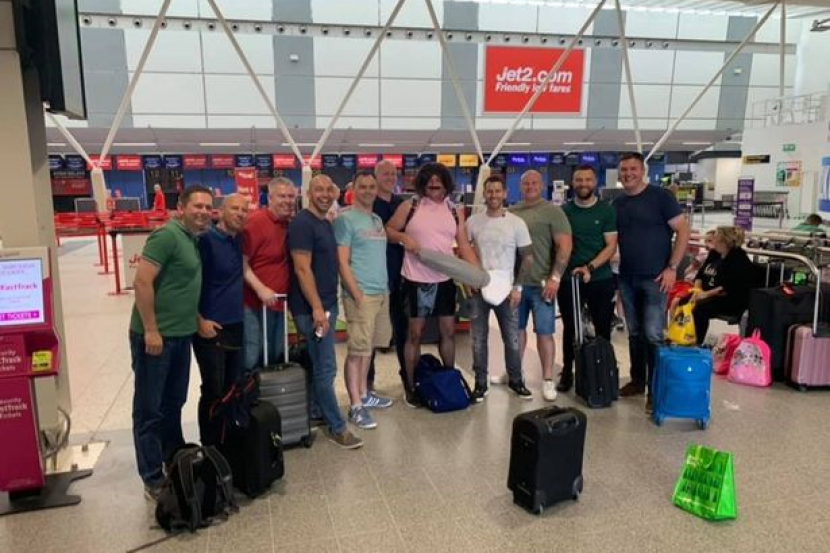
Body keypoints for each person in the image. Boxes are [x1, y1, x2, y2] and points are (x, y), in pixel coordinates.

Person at [129, 185, 213, 500]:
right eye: (197, 206)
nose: (203, 212)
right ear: (181, 207)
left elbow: (182, 288)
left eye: (208, 207)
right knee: (148, 410)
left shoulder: (193, 239)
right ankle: (152, 477)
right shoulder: (166, 236)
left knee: (173, 402)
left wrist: (197, 319)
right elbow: (142, 281)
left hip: (181, 336)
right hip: (156, 338)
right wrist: (151, 330)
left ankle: (173, 459)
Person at [386, 162, 478, 407]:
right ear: (422, 184)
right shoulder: (411, 206)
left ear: (446, 184)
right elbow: (388, 230)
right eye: (429, 180)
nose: (434, 183)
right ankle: (411, 384)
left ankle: (450, 379)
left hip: (445, 280)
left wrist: (476, 274)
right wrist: (403, 237)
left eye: (439, 180)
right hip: (415, 280)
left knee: (448, 332)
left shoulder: (454, 210)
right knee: (414, 334)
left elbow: (464, 245)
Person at [289, 175, 363, 449]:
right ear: (308, 193)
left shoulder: (323, 222)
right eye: (318, 189)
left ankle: (316, 411)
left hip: (325, 305)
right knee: (325, 367)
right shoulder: (302, 224)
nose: (324, 194)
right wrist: (318, 308)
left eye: (329, 190)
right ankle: (337, 427)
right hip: (312, 308)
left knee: (318, 363)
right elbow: (301, 268)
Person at [614, 152, 690, 413]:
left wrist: (672, 267)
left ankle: (655, 390)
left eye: (633, 169)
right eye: (624, 170)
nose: (628, 174)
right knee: (634, 332)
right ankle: (637, 381)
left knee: (653, 334)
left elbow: (683, 230)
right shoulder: (618, 203)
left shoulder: (661, 197)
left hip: (656, 278)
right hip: (627, 276)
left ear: (643, 171)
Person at [334, 171, 394, 430]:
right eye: (363, 187)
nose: (368, 191)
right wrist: (356, 293)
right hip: (361, 295)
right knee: (357, 351)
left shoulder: (377, 220)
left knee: (369, 347)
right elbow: (342, 261)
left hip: (381, 293)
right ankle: (356, 406)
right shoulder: (345, 220)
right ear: (353, 189)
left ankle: (365, 393)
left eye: (372, 187)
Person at [465, 175, 534, 402]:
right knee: (478, 339)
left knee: (512, 338)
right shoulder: (472, 222)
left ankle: (516, 380)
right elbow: (464, 252)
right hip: (479, 287)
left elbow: (527, 258)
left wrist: (518, 287)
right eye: (489, 191)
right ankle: (480, 383)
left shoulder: (516, 223)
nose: (493, 195)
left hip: (507, 288)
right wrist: (467, 280)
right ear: (484, 194)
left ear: (505, 193)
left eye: (497, 191)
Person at [507, 169, 572, 401]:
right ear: (520, 186)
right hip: (517, 285)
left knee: (545, 332)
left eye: (535, 183)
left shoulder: (553, 212)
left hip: (542, 285)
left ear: (542, 185)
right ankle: (515, 374)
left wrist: (555, 278)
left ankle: (547, 379)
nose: (530, 186)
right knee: (516, 332)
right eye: (526, 183)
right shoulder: (511, 212)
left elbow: (565, 246)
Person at [556, 165, 618, 393]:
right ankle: (567, 371)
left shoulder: (606, 211)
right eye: (579, 180)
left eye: (588, 179)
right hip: (569, 279)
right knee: (571, 328)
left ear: (595, 182)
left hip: (600, 278)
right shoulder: (564, 211)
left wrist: (590, 267)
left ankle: (602, 372)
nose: (583, 184)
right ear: (573, 183)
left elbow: (611, 246)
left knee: (603, 327)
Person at [192, 194, 248, 446]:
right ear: (221, 211)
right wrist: (199, 320)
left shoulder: (238, 239)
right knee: (213, 391)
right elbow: (190, 282)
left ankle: (228, 444)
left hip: (236, 324)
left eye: (244, 210)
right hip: (211, 328)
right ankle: (210, 446)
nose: (240, 214)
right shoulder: (205, 240)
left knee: (232, 388)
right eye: (235, 209)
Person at [241, 178, 296, 372]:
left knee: (275, 355)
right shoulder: (256, 222)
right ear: (270, 198)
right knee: (253, 356)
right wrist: (260, 288)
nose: (287, 201)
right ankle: (247, 391)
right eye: (282, 196)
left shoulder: (289, 225)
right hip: (253, 304)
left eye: (291, 196)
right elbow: (240, 261)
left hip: (279, 303)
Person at [367, 159, 407, 392]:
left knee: (403, 330)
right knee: (371, 334)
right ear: (376, 177)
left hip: (401, 275)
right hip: (375, 278)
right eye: (385, 174)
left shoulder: (401, 204)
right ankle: (368, 383)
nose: (391, 178)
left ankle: (408, 379)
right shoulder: (368, 205)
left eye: (393, 173)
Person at [691, 227, 756, 345]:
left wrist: (705, 295)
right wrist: (697, 290)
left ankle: (696, 342)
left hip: (729, 299)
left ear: (724, 241)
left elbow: (728, 287)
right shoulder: (714, 253)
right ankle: (682, 335)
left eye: (716, 238)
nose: (713, 240)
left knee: (700, 308)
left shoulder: (739, 260)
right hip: (709, 293)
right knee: (683, 300)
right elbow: (700, 274)